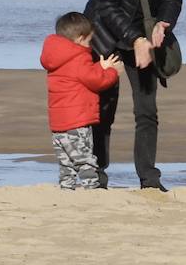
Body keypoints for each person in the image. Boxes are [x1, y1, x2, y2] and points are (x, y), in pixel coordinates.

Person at [84, 0, 186, 191]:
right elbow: (106, 6)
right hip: (107, 36)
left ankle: (149, 178)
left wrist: (164, 24)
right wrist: (135, 39)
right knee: (104, 109)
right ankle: (97, 176)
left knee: (147, 110)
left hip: (144, 38)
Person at [42, 12, 124, 190]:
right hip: (77, 122)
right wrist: (112, 72)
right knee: (85, 159)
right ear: (80, 39)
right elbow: (96, 81)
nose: (89, 46)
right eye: (89, 41)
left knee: (66, 163)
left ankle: (67, 188)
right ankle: (91, 189)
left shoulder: (56, 56)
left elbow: (80, 75)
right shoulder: (79, 57)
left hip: (58, 123)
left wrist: (100, 66)